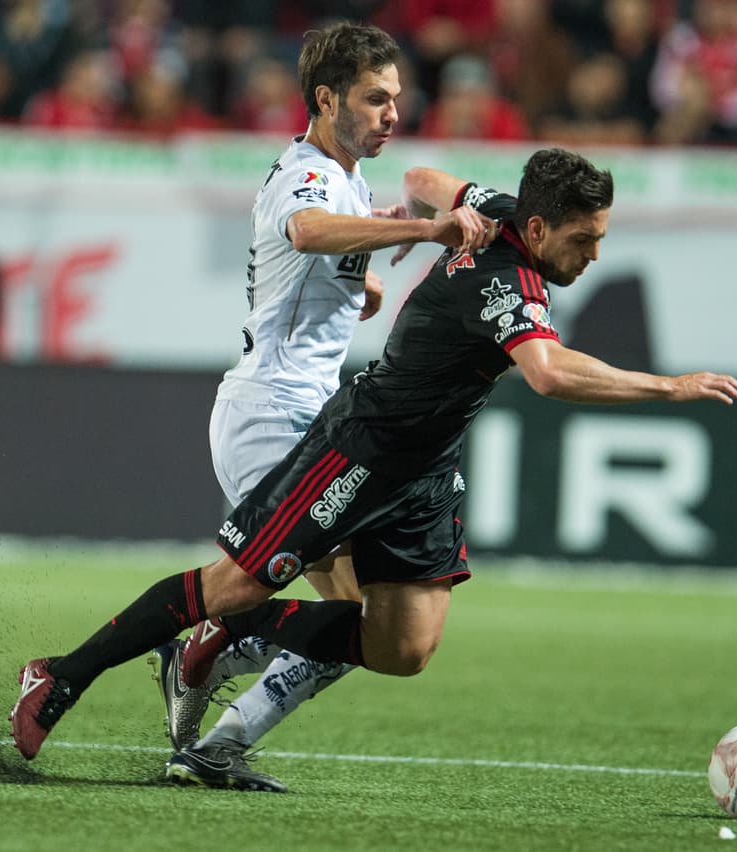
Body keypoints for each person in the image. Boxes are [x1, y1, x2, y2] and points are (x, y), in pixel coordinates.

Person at [9, 148, 737, 791]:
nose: (593, 256)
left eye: (602, 238)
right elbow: (549, 375)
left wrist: (427, 214)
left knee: (405, 648)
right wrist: (669, 385)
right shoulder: (505, 282)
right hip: (361, 448)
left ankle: (231, 638)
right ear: (544, 230)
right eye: (585, 240)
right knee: (230, 583)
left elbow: (424, 176)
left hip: (426, 467)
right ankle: (63, 674)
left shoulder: (498, 209)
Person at [141, 21, 494, 792]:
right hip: (272, 414)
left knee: (364, 619)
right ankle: (218, 707)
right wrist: (432, 226)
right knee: (355, 620)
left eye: (397, 98)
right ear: (327, 98)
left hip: (306, 414)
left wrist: (363, 278)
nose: (393, 114)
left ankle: (216, 660)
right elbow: (307, 231)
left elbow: (326, 253)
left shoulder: (348, 180)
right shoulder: (310, 172)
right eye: (375, 98)